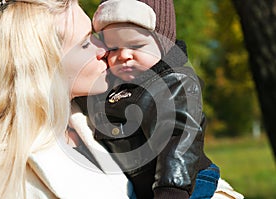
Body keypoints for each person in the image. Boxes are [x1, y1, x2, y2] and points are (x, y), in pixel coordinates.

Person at [73, 0, 243, 198]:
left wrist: (172, 189)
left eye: (136, 45)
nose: (124, 55)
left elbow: (179, 135)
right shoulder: (110, 83)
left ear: (164, 44)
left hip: (185, 181)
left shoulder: (173, 83)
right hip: (145, 182)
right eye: (113, 48)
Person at [0, 0, 136, 198]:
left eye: (94, 35)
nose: (103, 49)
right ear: (45, 66)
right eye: (86, 43)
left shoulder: (90, 124)